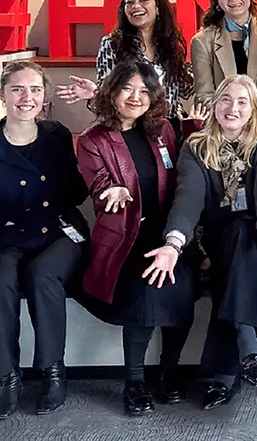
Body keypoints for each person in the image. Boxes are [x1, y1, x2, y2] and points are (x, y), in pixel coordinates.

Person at [144, 76, 257, 410]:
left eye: (242, 101)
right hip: (222, 241)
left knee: (243, 240)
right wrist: (173, 243)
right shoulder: (197, 145)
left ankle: (229, 370)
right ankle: (243, 350)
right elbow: (188, 199)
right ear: (214, 105)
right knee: (235, 241)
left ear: (253, 108)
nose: (233, 108)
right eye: (226, 99)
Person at [76, 62, 201, 417]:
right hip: (126, 236)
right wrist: (111, 190)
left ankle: (168, 371)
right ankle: (134, 382)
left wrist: (196, 125)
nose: (136, 97)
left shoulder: (162, 130)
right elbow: (98, 185)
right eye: (128, 89)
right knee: (145, 294)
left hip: (169, 232)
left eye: (144, 91)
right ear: (111, 92)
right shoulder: (92, 140)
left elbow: (184, 174)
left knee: (182, 293)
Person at [0, 62, 89, 421]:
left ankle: (53, 371)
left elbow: (77, 193)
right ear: (2, 95)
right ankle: (8, 376)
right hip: (11, 236)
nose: (27, 98)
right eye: (18, 89)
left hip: (62, 231)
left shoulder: (57, 135)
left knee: (43, 275)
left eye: (35, 90)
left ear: (44, 96)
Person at [56, 0, 194, 123]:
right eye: (129, 2)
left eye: (143, 0)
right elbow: (107, 95)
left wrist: (205, 63)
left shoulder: (169, 44)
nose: (135, 6)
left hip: (168, 126)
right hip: (131, 128)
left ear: (158, 8)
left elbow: (185, 90)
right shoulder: (113, 44)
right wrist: (95, 93)